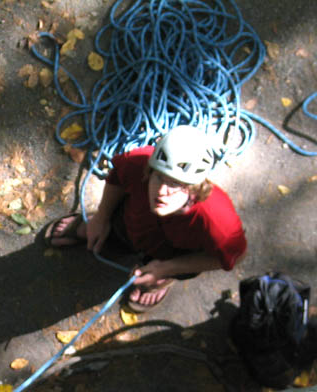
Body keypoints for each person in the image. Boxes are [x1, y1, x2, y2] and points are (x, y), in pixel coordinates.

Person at [43, 124, 247, 311]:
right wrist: (102, 217)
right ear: (150, 170)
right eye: (158, 176)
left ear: (195, 189)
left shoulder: (218, 219)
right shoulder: (139, 161)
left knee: (158, 275)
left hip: (175, 253)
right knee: (117, 233)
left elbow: (230, 257)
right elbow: (117, 178)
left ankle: (161, 280)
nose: (162, 191)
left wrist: (168, 268)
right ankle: (99, 228)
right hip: (132, 223)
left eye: (177, 183)